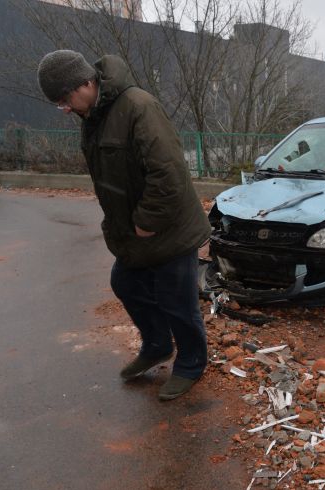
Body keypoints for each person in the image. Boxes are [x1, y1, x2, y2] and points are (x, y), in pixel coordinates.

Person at [37, 50, 211, 400]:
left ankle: (192, 363)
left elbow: (169, 173)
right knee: (125, 282)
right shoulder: (95, 115)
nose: (66, 108)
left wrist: (147, 222)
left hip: (168, 228)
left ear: (86, 82)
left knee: (177, 301)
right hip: (133, 232)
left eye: (64, 99)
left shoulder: (138, 106)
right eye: (59, 103)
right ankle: (158, 344)